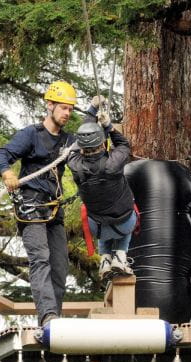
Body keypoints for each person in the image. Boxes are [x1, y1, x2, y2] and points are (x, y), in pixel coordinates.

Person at [0, 80, 77, 326]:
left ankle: (54, 318)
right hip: (31, 208)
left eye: (70, 109)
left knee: (60, 266)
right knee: (40, 259)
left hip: (53, 209)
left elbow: (89, 148)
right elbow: (2, 154)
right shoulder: (32, 134)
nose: (67, 114)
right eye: (63, 108)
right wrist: (7, 174)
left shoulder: (68, 141)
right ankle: (48, 316)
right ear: (49, 105)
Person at [67, 97, 137, 281]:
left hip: (96, 228)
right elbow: (123, 145)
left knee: (101, 218)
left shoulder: (74, 164)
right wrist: (109, 127)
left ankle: (105, 259)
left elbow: (77, 143)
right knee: (128, 211)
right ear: (101, 143)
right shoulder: (112, 164)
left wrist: (92, 110)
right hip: (123, 223)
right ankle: (120, 256)